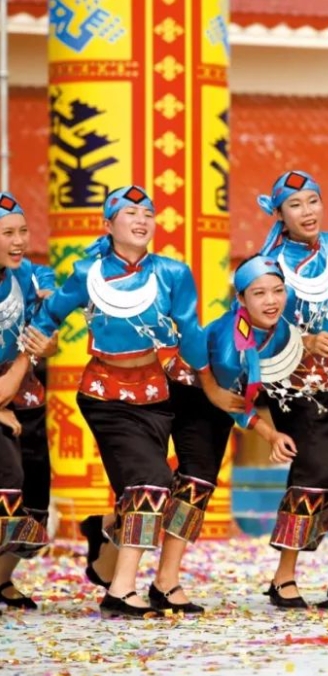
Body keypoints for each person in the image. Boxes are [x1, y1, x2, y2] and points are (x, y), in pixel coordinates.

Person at [21, 185, 232, 618]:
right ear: (108, 224)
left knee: (156, 486)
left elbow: (191, 333)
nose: (141, 220)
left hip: (156, 392)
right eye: (130, 213)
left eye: (148, 214)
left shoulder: (173, 273)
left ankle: (107, 531)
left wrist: (209, 385)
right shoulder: (87, 272)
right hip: (105, 395)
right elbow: (49, 316)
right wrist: (39, 346)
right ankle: (120, 591)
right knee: (150, 480)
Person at [256, 170, 328, 609]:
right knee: (313, 472)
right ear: (280, 214)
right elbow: (251, 325)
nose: (307, 211)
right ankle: (283, 577)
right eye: (295, 205)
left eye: (313, 201)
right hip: (293, 386)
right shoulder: (268, 262)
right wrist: (304, 340)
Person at [0, 193, 56, 613]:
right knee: (9, 482)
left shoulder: (33, 277)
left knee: (35, 497)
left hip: (27, 398)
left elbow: (50, 331)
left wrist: (45, 343)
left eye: (22, 231)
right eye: (7, 234)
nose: (19, 241)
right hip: (7, 393)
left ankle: (2, 579)